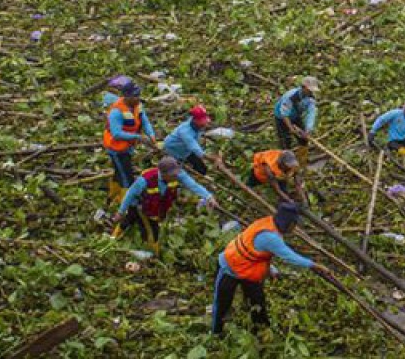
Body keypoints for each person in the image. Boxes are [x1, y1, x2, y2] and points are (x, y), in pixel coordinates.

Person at [212, 201, 329, 335]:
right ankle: (216, 333)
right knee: (222, 304)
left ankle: (261, 331)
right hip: (229, 267)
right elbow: (289, 257)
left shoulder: (268, 223)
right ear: (287, 223)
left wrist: (270, 269)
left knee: (258, 303)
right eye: (294, 224)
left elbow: (260, 252)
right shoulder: (271, 237)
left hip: (249, 271)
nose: (295, 228)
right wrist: (314, 265)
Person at [112, 156, 217, 254]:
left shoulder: (178, 174)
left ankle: (113, 237)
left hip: (155, 205)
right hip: (141, 207)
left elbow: (193, 185)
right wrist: (120, 212)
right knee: (152, 231)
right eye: (172, 175)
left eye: (176, 173)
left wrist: (208, 197)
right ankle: (153, 253)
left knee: (130, 218)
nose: (176, 176)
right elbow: (130, 194)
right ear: (163, 174)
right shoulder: (145, 180)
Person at [102, 77, 158, 205]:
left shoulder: (137, 106)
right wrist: (138, 137)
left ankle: (113, 196)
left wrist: (151, 135)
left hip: (127, 146)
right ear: (127, 97)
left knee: (119, 172)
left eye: (138, 95)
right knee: (126, 177)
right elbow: (116, 134)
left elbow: (145, 121)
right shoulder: (116, 112)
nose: (138, 98)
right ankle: (127, 204)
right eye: (135, 96)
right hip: (116, 148)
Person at [273, 77, 319, 166]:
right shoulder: (290, 96)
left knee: (304, 139)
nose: (311, 92)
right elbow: (284, 114)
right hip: (281, 117)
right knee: (286, 141)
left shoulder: (311, 98)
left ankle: (302, 162)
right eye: (309, 90)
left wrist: (308, 129)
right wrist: (291, 128)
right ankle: (286, 164)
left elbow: (311, 113)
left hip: (295, 116)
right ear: (303, 87)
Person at [164, 105, 218, 175]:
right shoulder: (186, 133)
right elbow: (196, 149)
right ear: (195, 120)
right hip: (174, 147)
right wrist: (212, 158)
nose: (204, 123)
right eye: (202, 121)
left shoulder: (194, 123)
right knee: (182, 165)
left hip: (184, 145)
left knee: (201, 166)